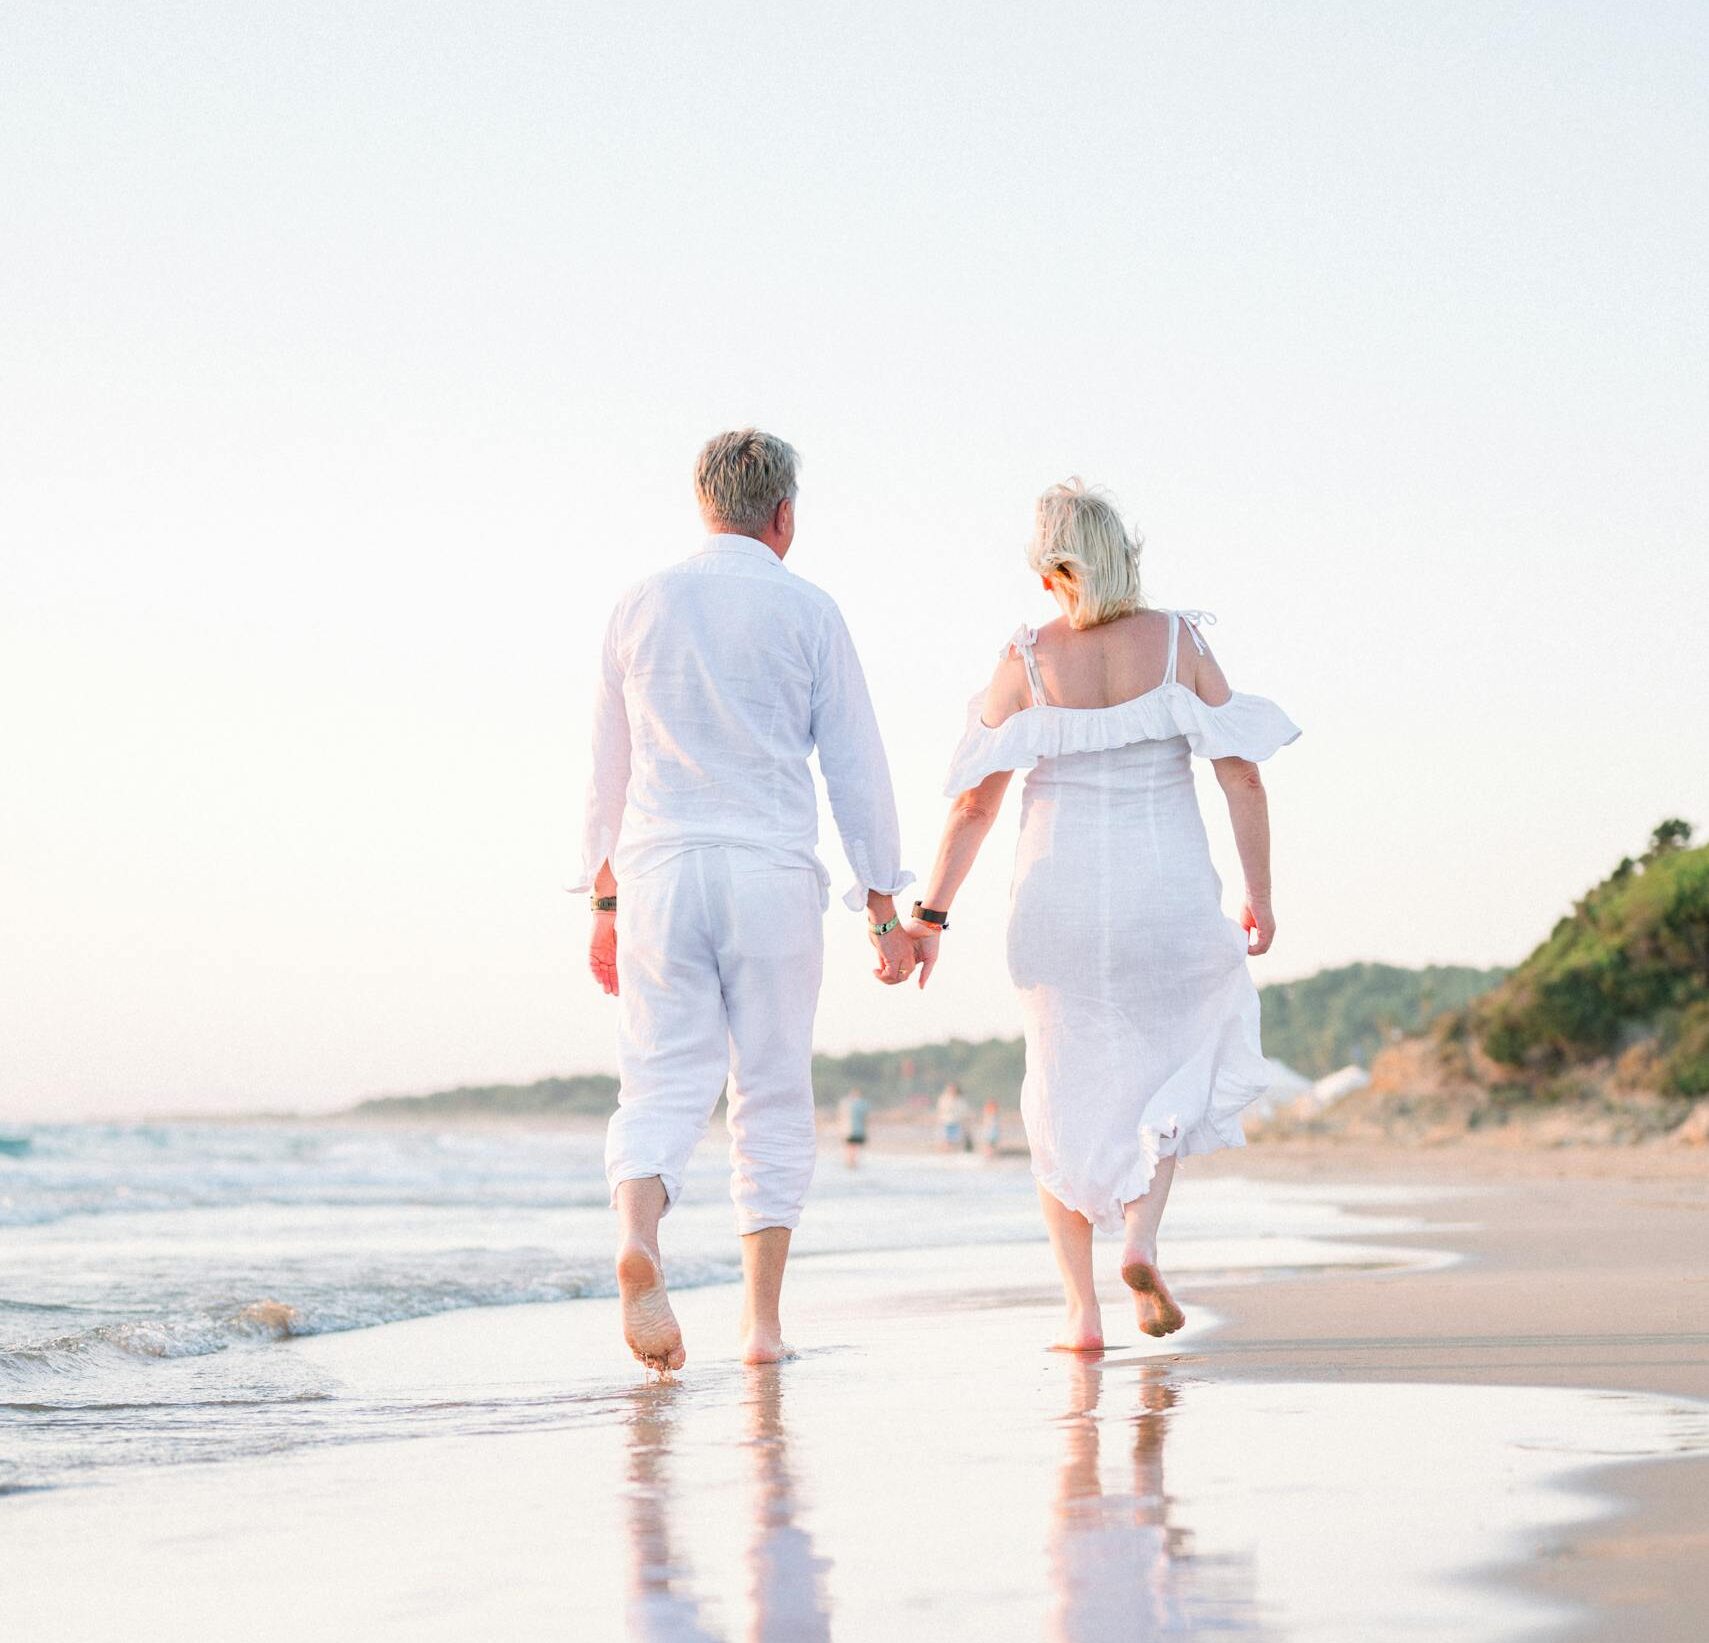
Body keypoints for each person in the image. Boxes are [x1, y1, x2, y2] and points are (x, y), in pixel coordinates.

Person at [904, 479, 1298, 1350]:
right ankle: (1142, 1238)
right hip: (1165, 892)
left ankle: (1081, 1313)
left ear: (1054, 568)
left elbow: (973, 805)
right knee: (1176, 1060)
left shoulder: (1027, 658)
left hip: (1057, 900)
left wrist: (929, 914)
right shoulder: (1177, 644)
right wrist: (1259, 894)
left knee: (1058, 1089)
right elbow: (1242, 774)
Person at [574, 429, 916, 1372]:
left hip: (658, 871)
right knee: (767, 1090)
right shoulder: (808, 609)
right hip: (767, 871)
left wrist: (603, 899)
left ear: (701, 504)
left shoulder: (638, 604)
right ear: (785, 515)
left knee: (657, 1083)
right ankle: (760, 1326)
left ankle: (640, 1235)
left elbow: (607, 766)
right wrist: (883, 908)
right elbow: (855, 763)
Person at [837, 1088, 870, 1169]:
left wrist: (840, 1128)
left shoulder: (847, 1103)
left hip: (849, 1130)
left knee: (849, 1147)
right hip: (859, 1130)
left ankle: (850, 1162)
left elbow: (841, 1116)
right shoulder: (863, 1104)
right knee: (855, 1147)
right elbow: (866, 1118)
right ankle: (853, 1162)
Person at [935, 1082, 971, 1151]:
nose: (952, 1091)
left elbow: (964, 1112)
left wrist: (965, 1123)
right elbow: (940, 1110)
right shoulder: (944, 1099)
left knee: (955, 1141)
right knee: (945, 1140)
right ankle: (945, 1152)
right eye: (950, 1089)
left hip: (956, 1122)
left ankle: (952, 1153)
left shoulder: (961, 1100)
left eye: (953, 1089)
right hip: (945, 1122)